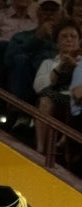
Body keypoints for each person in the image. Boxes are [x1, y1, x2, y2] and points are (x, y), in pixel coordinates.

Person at [4, 0, 62, 126]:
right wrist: (36, 38)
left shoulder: (66, 39)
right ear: (38, 13)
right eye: (46, 10)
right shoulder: (22, 36)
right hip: (28, 82)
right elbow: (8, 60)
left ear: (60, 14)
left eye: (53, 10)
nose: (49, 14)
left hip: (58, 81)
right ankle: (22, 113)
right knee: (20, 60)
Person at [33, 18, 81, 153]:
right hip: (56, 98)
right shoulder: (48, 63)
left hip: (76, 100)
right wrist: (60, 66)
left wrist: (75, 67)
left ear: (79, 41)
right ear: (57, 42)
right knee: (45, 100)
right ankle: (41, 148)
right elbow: (39, 87)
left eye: (73, 36)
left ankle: (65, 140)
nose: (69, 40)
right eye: (64, 36)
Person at [0, 0, 37, 87]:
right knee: (2, 46)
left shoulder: (36, 20)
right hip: (4, 53)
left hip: (26, 56)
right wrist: (9, 44)